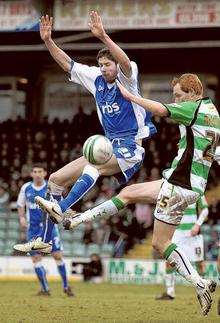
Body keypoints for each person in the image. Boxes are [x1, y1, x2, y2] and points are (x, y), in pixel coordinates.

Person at [63, 74, 220, 315]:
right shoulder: (213, 112)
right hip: (188, 183)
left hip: (180, 181)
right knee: (128, 193)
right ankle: (76, 219)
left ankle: (200, 283)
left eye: (179, 95)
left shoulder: (194, 109)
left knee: (160, 242)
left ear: (192, 93)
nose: (175, 100)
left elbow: (160, 109)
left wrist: (130, 97)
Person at [16, 11, 156, 252]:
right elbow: (67, 63)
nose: (103, 69)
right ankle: (46, 241)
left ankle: (63, 208)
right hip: (110, 144)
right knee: (55, 180)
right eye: (101, 65)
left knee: (94, 165)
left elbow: (124, 62)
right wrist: (49, 41)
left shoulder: (127, 77)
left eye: (107, 65)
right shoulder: (95, 78)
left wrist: (103, 36)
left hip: (132, 146)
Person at [14, 164, 74, 296]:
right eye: (34, 171)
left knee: (57, 255)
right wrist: (22, 218)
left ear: (45, 173)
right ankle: (45, 289)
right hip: (33, 229)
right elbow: (20, 204)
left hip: (50, 227)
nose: (37, 174)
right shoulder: (26, 188)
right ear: (31, 174)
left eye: (39, 171)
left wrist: (67, 215)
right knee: (36, 259)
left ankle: (66, 286)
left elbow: (60, 205)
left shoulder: (51, 187)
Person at [155, 195, 209, 300]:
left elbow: (205, 210)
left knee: (200, 263)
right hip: (176, 232)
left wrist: (198, 224)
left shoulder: (196, 189)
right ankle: (170, 293)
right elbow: (161, 207)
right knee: (170, 261)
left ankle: (204, 291)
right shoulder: (169, 189)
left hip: (192, 233)